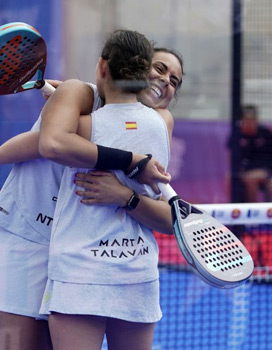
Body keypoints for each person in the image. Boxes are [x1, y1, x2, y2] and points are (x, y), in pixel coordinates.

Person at [0, 41, 183, 349]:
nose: (165, 80)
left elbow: (164, 214)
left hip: (80, 253)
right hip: (26, 237)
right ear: (134, 68)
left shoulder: (155, 124)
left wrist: (125, 194)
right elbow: (7, 153)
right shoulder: (80, 96)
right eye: (159, 69)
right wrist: (74, 114)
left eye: (174, 80)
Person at [37, 29, 172, 350]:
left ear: (101, 67)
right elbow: (167, 218)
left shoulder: (82, 127)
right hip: (136, 270)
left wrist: (62, 103)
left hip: (79, 273)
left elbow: (15, 151)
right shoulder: (161, 125)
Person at [228, 104, 272, 203]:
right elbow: (230, 155)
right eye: (246, 120)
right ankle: (235, 207)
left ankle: (252, 212)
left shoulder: (266, 133)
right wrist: (235, 170)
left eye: (252, 120)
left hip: (267, 170)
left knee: (251, 179)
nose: (249, 123)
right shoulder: (237, 135)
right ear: (241, 121)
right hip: (247, 169)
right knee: (230, 179)